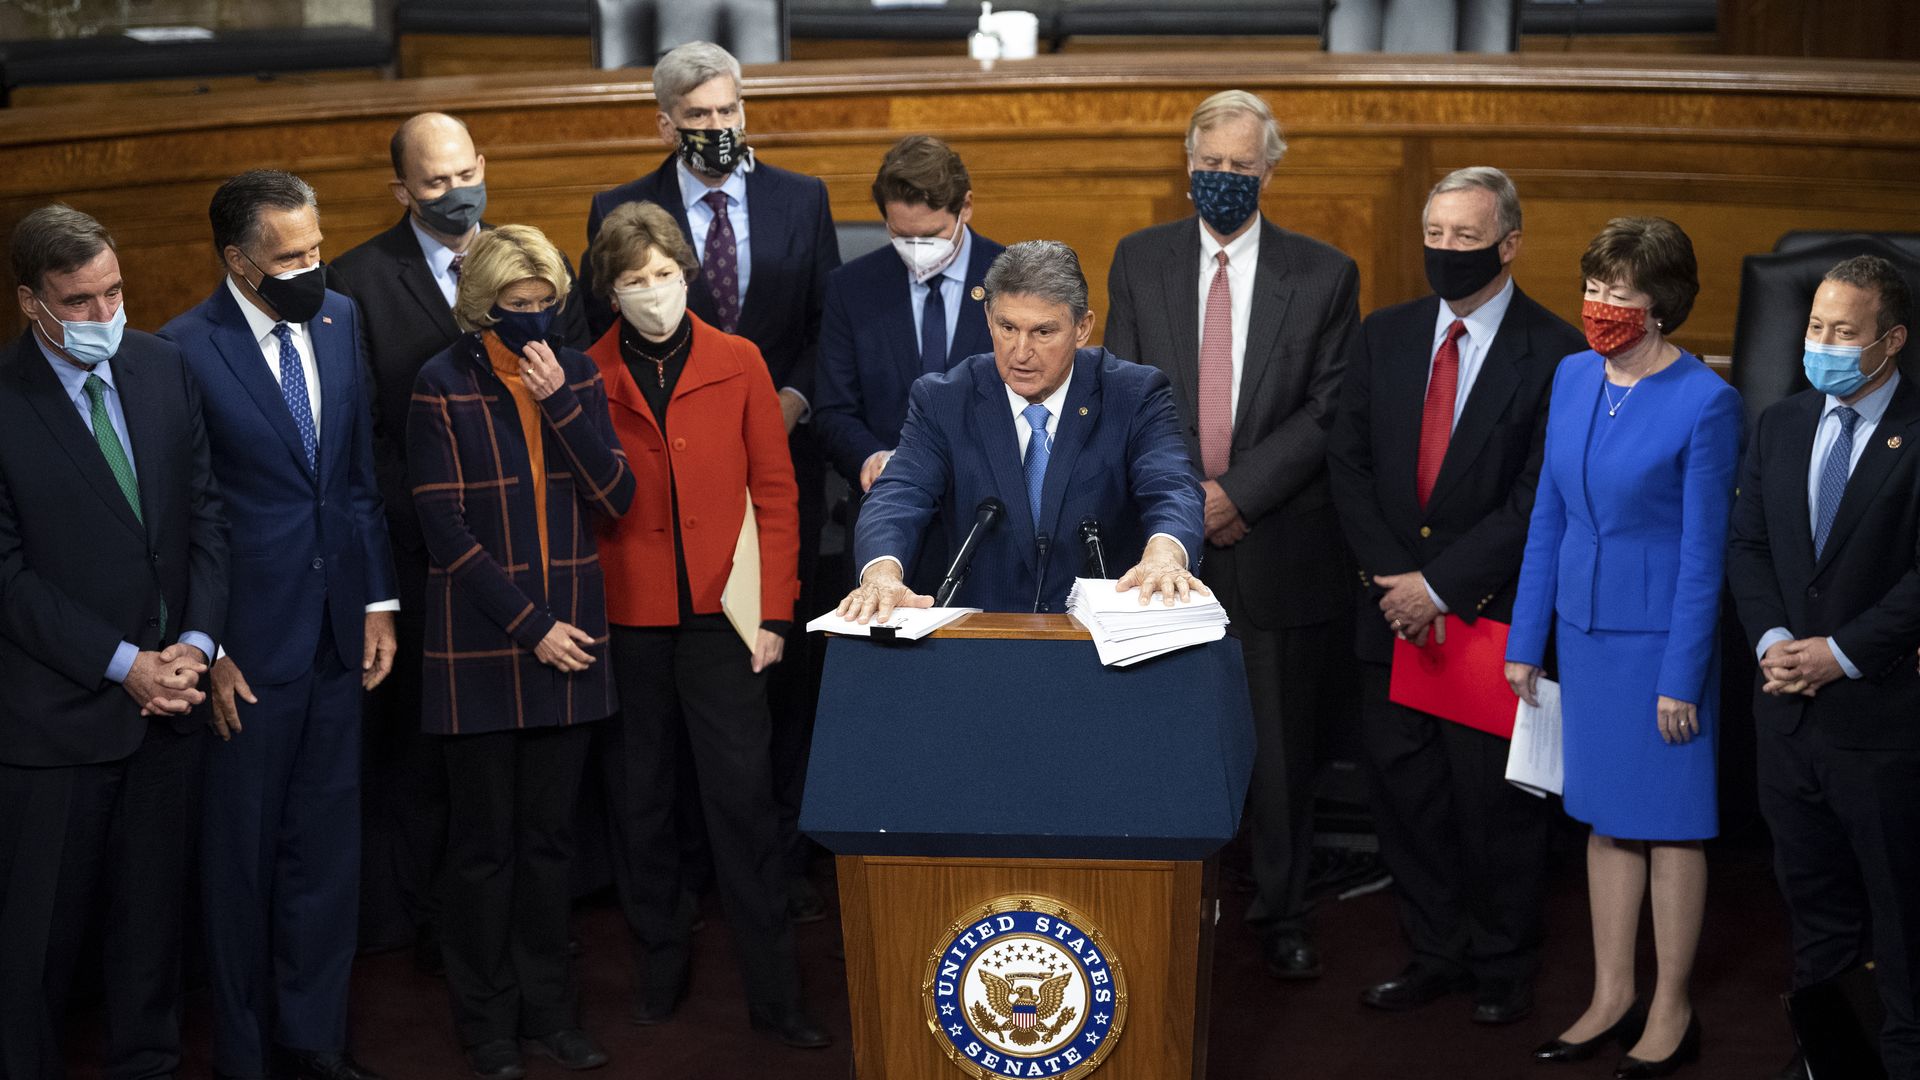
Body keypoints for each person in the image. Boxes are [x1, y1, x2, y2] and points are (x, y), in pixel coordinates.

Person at [580, 39, 841, 924]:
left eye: (728, 112)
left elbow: (822, 323)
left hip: (773, 470)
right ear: (665, 123)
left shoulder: (800, 198)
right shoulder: (620, 207)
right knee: (655, 738)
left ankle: (775, 871)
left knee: (766, 694)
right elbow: (598, 343)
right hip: (654, 504)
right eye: (697, 118)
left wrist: (786, 403)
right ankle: (679, 883)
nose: (717, 128)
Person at [1104, 89, 1360, 979]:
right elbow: (1128, 394)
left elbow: (1329, 411)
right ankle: (1166, 907)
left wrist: (1236, 494)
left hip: (1277, 542)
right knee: (1164, 742)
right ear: (1188, 165)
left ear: (1268, 170)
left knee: (1282, 753)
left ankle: (1283, 914)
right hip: (1164, 550)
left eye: (1238, 168)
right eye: (1207, 166)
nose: (1221, 180)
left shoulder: (1323, 274)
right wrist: (1185, 501)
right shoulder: (1139, 261)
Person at [1328, 167, 1584, 1023]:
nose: (1445, 252)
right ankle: (1432, 951)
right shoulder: (1385, 334)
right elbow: (1349, 462)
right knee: (1407, 801)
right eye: (1434, 236)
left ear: (1508, 244)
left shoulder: (1557, 354)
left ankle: (1504, 963)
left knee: (1494, 807)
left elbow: (1538, 495)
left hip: (1489, 618)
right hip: (1390, 614)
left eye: (1464, 239)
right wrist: (1394, 583)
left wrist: (1439, 586)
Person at [161, 169, 398, 1080]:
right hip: (247, 653)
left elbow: (356, 477)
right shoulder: (183, 348)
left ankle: (316, 1040)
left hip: (340, 634)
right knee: (241, 867)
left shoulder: (339, 319)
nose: (310, 266)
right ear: (238, 261)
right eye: (289, 256)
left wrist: (379, 598)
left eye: (316, 247)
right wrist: (206, 645)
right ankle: (247, 1053)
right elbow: (184, 521)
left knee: (325, 856)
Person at [582, 200, 832, 1050]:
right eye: (633, 280)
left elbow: (777, 489)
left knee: (744, 803)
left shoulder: (741, 359)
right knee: (642, 801)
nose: (652, 292)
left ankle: (775, 990)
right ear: (609, 291)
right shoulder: (588, 372)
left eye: (663, 275)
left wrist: (775, 613)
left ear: (685, 274)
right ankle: (659, 957)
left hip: (728, 619)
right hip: (630, 619)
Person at [1504, 217, 1741, 1077]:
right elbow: (1550, 517)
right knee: (1605, 823)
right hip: (1586, 637)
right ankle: (1611, 994)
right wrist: (1526, 639)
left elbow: (1703, 555)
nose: (1600, 307)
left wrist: (1684, 676)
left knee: (1669, 829)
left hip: (1660, 650)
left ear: (1662, 306)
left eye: (1620, 294)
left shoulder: (1708, 403)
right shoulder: (1573, 376)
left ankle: (1671, 1007)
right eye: (1593, 288)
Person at [0, 206, 226, 1080]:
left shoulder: (164, 368)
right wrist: (124, 664)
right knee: (36, 957)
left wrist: (196, 648)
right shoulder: (6, 401)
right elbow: (9, 577)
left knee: (151, 938)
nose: (104, 317)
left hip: (171, 710)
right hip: (55, 726)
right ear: (32, 302)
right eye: (80, 302)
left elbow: (204, 516)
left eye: (114, 293)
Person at [406, 224, 634, 1079]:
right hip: (486, 642)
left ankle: (551, 1011)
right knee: (484, 848)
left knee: (549, 844)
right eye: (517, 307)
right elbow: (444, 529)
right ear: (482, 308)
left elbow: (616, 492)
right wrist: (529, 624)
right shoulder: (441, 383)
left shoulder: (573, 372)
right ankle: (488, 1023)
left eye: (547, 305)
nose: (536, 320)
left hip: (571, 638)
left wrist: (562, 403)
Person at [1726, 255, 1920, 1080]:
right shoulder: (1780, 421)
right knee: (1813, 914)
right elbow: (1751, 545)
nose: (1825, 345)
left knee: (1903, 924)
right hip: (1786, 717)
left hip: (1879, 722)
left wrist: (1839, 655)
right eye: (1815, 328)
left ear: (1892, 341)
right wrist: (1773, 639)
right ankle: (1827, 1060)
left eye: (1845, 333)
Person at [840, 239, 1206, 620]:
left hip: (1101, 643)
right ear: (988, 318)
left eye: (1043, 332)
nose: (1020, 351)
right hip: (983, 641)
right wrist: (881, 572)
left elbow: (1172, 487)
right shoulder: (944, 398)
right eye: (1007, 327)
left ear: (1083, 328)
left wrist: (1164, 555)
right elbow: (899, 495)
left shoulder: (1133, 394)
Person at [814, 134, 1006, 543]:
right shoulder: (852, 288)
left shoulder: (1013, 278)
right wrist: (871, 456)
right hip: (888, 515)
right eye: (902, 235)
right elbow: (833, 410)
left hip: (993, 514)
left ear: (965, 207)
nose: (917, 248)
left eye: (932, 235)